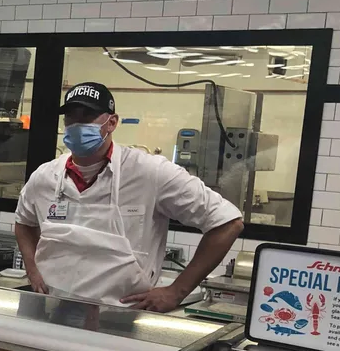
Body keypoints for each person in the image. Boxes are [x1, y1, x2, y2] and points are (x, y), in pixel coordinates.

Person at [14, 82, 243, 312]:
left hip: (122, 318)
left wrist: (176, 292)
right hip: (53, 310)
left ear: (112, 122)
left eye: (87, 117)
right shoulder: (45, 176)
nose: (77, 125)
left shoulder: (149, 172)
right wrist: (32, 269)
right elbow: (24, 222)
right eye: (71, 118)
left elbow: (228, 222)